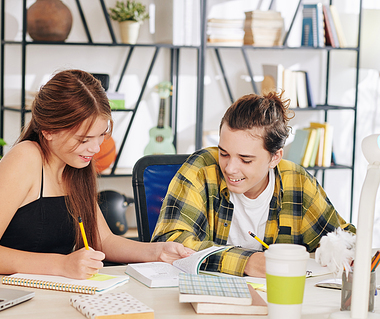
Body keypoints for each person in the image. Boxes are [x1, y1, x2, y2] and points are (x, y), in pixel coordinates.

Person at [0, 69, 193, 279]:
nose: (95, 149)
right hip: (11, 293)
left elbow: (103, 240)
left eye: (101, 135)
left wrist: (158, 252)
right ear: (48, 130)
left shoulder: (75, 167)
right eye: (83, 140)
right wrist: (62, 265)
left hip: (56, 294)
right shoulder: (26, 158)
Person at [151, 91, 355, 277]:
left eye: (245, 159)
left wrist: (352, 254)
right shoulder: (201, 169)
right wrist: (246, 262)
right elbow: (169, 242)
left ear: (275, 158)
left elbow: (342, 240)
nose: (230, 168)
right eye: (224, 153)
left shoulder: (298, 182)